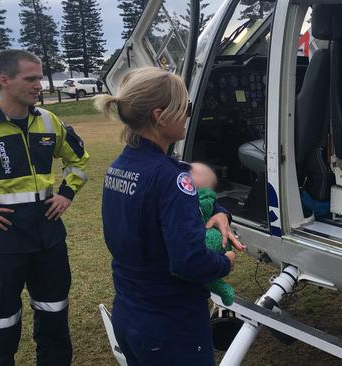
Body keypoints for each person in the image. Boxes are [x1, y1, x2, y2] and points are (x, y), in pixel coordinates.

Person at [95, 67, 244, 366]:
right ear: (159, 116)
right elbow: (190, 261)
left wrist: (219, 212)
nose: (188, 115)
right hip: (171, 324)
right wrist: (223, 264)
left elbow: (160, 207)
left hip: (130, 313)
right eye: (185, 108)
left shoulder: (120, 167)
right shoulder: (171, 180)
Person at [0, 49, 89, 366]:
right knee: (0, 324)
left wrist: (66, 193)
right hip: (2, 241)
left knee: (54, 315)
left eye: (40, 77)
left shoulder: (49, 120)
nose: (40, 85)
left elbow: (78, 163)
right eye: (31, 78)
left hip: (48, 237)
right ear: (4, 80)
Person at [190, 162, 235, 306]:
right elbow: (188, 262)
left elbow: (214, 206)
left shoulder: (206, 200)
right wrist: (225, 263)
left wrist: (223, 214)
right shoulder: (179, 199)